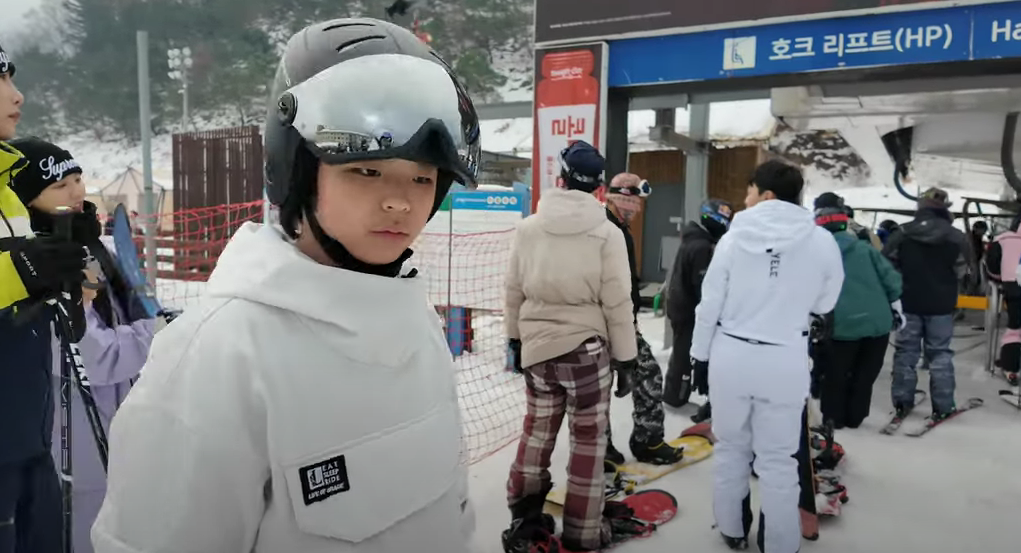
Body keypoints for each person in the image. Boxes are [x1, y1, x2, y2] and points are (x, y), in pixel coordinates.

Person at [91, 18, 480, 553]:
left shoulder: (415, 319)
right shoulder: (221, 355)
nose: (400, 202)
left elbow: (453, 505)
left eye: (421, 177)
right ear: (298, 172)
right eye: (366, 171)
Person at [8, 137, 156, 553]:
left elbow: (128, 314)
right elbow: (96, 357)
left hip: (119, 425)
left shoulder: (93, 247)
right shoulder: (36, 265)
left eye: (78, 178)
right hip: (72, 443)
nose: (77, 191)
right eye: (60, 185)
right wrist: (158, 334)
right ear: (27, 199)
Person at [690, 160, 843, 553]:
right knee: (779, 458)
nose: (746, 199)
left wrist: (699, 356)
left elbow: (709, 304)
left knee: (731, 449)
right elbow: (826, 301)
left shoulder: (732, 239)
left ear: (767, 195)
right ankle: (780, 543)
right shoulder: (821, 241)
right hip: (785, 357)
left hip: (731, 355)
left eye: (750, 191)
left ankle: (732, 529)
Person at [503, 140, 638, 552]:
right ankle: (583, 531)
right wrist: (627, 358)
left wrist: (514, 339)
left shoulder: (528, 228)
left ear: (560, 178)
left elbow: (513, 290)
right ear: (599, 186)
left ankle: (525, 518)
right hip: (586, 353)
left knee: (537, 433)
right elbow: (618, 301)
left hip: (538, 350)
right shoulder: (607, 233)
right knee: (588, 443)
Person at [0, 43, 87, 553]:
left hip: (29, 436)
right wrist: (22, 269)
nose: (18, 95)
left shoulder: (7, 191)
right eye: (1, 80)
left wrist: (61, 264)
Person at [602, 172, 683, 466]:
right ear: (622, 199)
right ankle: (601, 449)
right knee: (602, 387)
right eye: (634, 202)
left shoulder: (619, 228)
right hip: (604, 324)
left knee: (647, 375)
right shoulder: (605, 229)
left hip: (623, 322)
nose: (636, 209)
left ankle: (646, 440)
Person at [883, 187, 970, 421]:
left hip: (908, 302)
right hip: (941, 305)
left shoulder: (902, 233)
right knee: (940, 353)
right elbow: (962, 271)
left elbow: (886, 266)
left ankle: (902, 401)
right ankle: (943, 404)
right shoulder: (956, 237)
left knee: (906, 352)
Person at [812, 205, 903, 429]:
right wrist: (895, 304)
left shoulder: (815, 254)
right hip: (877, 323)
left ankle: (833, 418)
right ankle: (856, 416)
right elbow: (891, 279)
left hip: (840, 325)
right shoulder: (866, 249)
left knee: (835, 373)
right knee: (865, 374)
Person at [663, 198, 733, 417]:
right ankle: (676, 396)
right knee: (685, 354)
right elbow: (702, 286)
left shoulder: (695, 239)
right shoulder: (702, 246)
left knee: (681, 351)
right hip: (688, 309)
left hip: (680, 304)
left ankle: (675, 393)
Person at [982, 214, 1021, 385]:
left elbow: (992, 267)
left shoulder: (1003, 240)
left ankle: (1011, 368)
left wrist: (1000, 279)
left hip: (1014, 287)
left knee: (1015, 329)